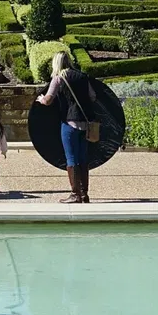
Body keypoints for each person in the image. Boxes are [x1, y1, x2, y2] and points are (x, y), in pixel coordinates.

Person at [37, 50, 96, 203]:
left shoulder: (58, 78)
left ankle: (75, 194)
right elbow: (93, 96)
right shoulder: (82, 76)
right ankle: (84, 194)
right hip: (85, 123)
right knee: (83, 158)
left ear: (56, 63)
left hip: (69, 122)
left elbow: (49, 100)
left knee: (71, 158)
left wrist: (41, 100)